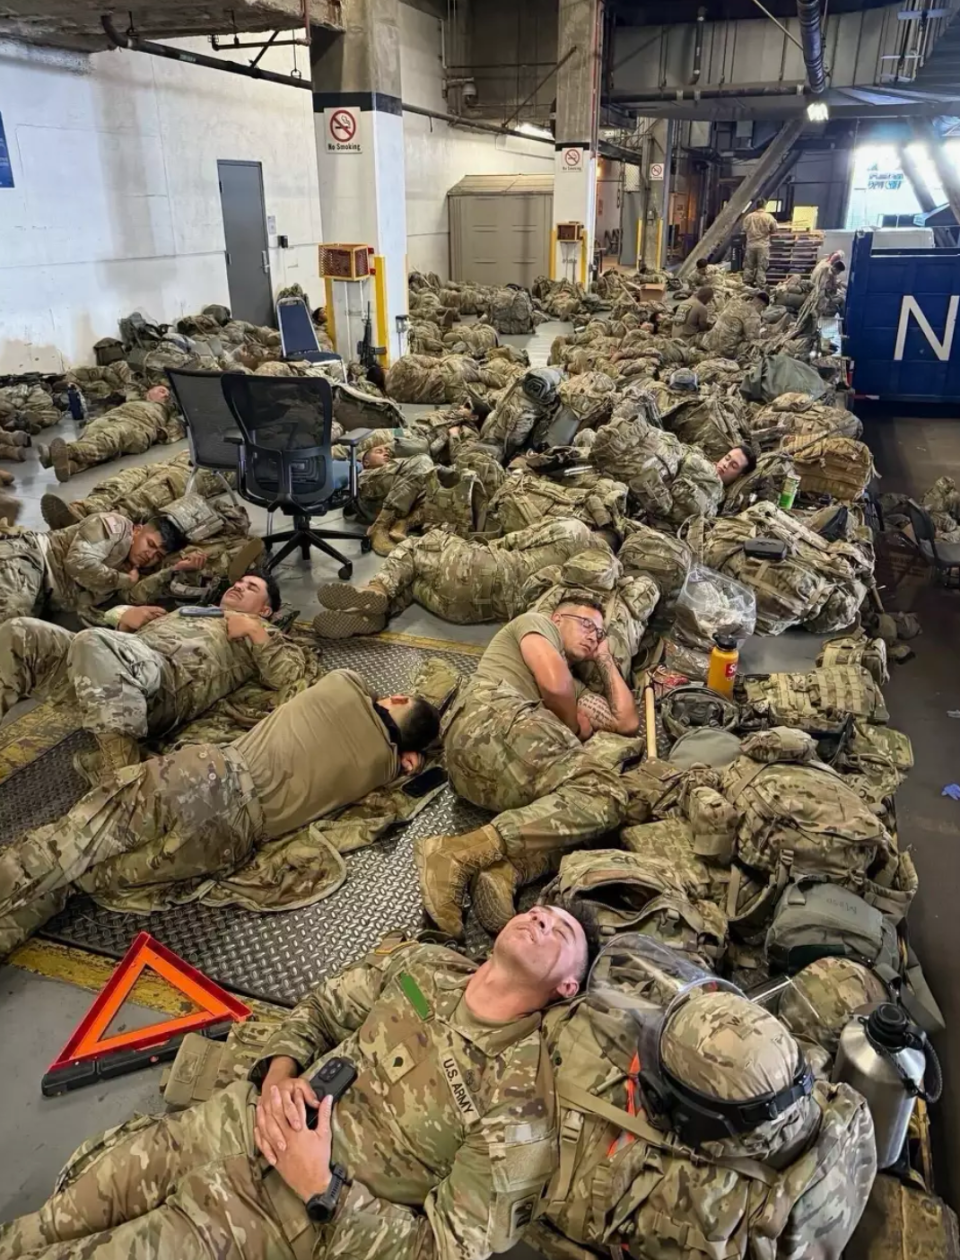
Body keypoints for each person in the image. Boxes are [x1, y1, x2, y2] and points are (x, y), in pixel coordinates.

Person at [0, 904, 593, 1260]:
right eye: (539, 912)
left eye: (562, 933)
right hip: (230, 1124)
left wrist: (323, 1190)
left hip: (273, 1218)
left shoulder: (519, 1103)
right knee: (46, 1225)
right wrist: (279, 1075)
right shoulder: (425, 967)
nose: (542, 918)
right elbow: (323, 1011)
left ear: (566, 988)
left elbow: (442, 1249)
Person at [0, 669, 441, 958]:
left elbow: (363, 693)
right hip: (232, 838)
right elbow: (400, 765)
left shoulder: (343, 684)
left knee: (64, 848)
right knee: (79, 879)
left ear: (397, 697)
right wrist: (406, 758)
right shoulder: (383, 769)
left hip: (205, 775)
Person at [415, 604, 640, 936]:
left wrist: (605, 658)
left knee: (593, 817)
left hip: (485, 773)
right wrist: (573, 726)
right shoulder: (536, 624)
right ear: (558, 618)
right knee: (606, 791)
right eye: (586, 624)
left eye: (599, 633)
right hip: (491, 721)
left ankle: (505, 869)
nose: (593, 636)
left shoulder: (575, 685)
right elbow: (554, 685)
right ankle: (458, 853)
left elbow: (626, 721)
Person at [0, 571, 303, 779]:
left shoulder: (262, 630)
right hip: (115, 678)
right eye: (239, 581)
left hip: (165, 689)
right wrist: (127, 626)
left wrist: (255, 631)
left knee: (92, 639)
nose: (239, 586)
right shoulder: (191, 611)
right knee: (20, 631)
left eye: (251, 588)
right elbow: (113, 654)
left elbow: (289, 675)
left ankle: (122, 770)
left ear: (265, 610)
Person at [313, 517, 613, 639]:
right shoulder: (599, 575)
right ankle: (374, 616)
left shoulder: (575, 529)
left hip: (480, 570)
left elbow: (512, 541)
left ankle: (377, 589)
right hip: (468, 612)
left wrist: (468, 547)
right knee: (413, 583)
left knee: (416, 546)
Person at [0, 512, 183, 624]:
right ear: (137, 530)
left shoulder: (131, 568)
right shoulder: (114, 526)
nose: (150, 555)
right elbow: (78, 563)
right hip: (29, 558)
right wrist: (122, 580)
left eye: (158, 555)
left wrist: (174, 570)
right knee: (10, 623)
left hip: (44, 593)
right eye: (150, 544)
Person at [37, 386, 185, 482]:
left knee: (111, 437)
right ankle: (71, 466)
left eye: (167, 393)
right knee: (99, 443)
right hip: (108, 418)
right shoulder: (132, 399)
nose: (165, 394)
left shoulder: (167, 411)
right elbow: (126, 387)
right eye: (161, 390)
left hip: (136, 425)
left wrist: (159, 433)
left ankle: (66, 451)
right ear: (148, 393)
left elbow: (177, 427)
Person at [701, 290, 770, 359]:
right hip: (724, 351)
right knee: (752, 345)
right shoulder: (754, 316)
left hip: (708, 342)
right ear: (762, 305)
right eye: (763, 309)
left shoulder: (734, 301)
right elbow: (753, 338)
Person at [741, 199, 779, 288]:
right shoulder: (769, 217)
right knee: (761, 267)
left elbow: (744, 229)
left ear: (756, 206)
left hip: (751, 245)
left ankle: (747, 285)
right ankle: (760, 286)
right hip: (763, 246)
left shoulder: (749, 217)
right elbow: (774, 230)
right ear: (765, 206)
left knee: (748, 266)